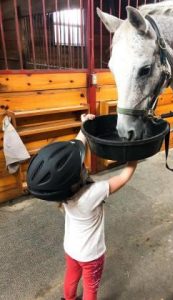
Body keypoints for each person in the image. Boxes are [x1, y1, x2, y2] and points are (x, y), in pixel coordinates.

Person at [27, 113, 138, 300]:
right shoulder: (92, 193)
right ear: (75, 178)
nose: (83, 165)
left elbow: (74, 150)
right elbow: (123, 178)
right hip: (91, 255)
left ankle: (68, 298)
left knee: (71, 276)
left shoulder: (64, 196)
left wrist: (83, 127)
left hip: (71, 248)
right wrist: (135, 155)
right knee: (90, 287)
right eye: (81, 166)